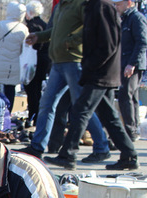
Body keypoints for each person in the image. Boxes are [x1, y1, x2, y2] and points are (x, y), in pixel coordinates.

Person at [45, 0, 140, 170]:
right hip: (99, 71)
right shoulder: (93, 7)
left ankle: (68, 154)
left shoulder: (101, 7)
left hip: (100, 72)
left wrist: (90, 66)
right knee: (108, 115)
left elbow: (108, 44)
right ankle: (129, 155)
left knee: (81, 110)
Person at [18, 0, 111, 161]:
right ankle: (37, 146)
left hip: (73, 62)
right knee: (47, 104)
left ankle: (101, 147)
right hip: (58, 63)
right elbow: (57, 31)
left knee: (82, 107)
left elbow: (89, 28)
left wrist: (70, 42)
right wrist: (39, 37)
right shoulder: (62, 6)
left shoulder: (80, 5)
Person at [0, 2, 28, 109]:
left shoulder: (0, 25)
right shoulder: (24, 29)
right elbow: (24, 50)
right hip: (13, 67)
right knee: (10, 91)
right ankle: (6, 116)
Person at [114, 0, 147, 142]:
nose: (116, 7)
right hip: (126, 62)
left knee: (125, 95)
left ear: (128, 3)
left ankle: (130, 131)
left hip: (132, 64)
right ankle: (133, 129)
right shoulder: (125, 19)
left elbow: (142, 42)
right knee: (130, 96)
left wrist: (132, 64)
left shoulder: (137, 18)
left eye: (119, 4)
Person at [24, 1, 50, 127]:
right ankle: (37, 116)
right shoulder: (45, 25)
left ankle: (32, 115)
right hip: (44, 61)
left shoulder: (30, 26)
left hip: (32, 62)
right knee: (38, 90)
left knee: (31, 90)